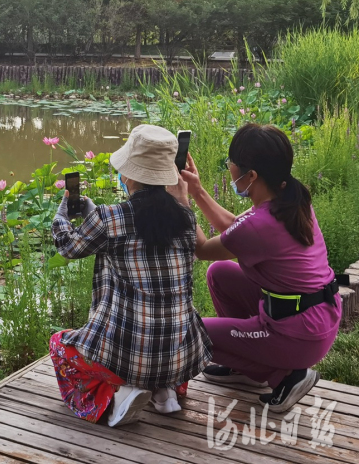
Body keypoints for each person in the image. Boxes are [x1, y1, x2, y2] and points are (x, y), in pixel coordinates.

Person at [51, 124, 212, 427]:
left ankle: (115, 400)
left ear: (130, 175)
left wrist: (62, 216)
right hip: (182, 356)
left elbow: (69, 248)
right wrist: (94, 213)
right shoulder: (186, 218)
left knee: (59, 345)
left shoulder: (109, 218)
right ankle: (165, 393)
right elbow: (141, 234)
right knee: (161, 317)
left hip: (129, 358)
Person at [181, 123, 341, 413]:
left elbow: (203, 249)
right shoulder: (290, 196)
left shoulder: (259, 225)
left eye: (231, 164)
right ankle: (246, 365)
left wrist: (179, 200)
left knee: (191, 333)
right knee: (220, 273)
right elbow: (234, 229)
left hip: (299, 333)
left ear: (251, 175)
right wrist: (197, 190)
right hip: (317, 315)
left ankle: (285, 375)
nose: (228, 168)